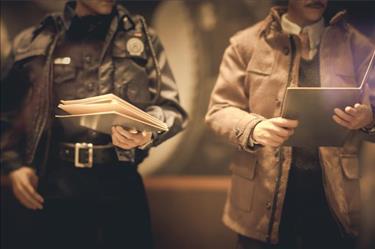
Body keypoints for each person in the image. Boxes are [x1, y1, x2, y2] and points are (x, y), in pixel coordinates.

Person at [0, 0, 187, 248]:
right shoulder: (36, 39)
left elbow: (172, 109)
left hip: (121, 181)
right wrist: (13, 165)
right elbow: (7, 108)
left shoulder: (143, 39)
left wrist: (147, 132)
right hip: (56, 183)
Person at [205, 0, 375, 248]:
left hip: (334, 208)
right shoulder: (245, 43)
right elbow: (218, 111)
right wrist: (254, 128)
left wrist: (368, 119)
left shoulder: (358, 46)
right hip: (259, 208)